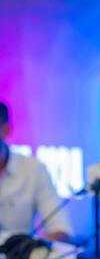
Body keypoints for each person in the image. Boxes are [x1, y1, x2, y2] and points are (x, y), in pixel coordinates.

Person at [0, 101, 71, 243]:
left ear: (6, 131)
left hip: (19, 256)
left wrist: (29, 249)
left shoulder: (33, 169)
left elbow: (61, 230)